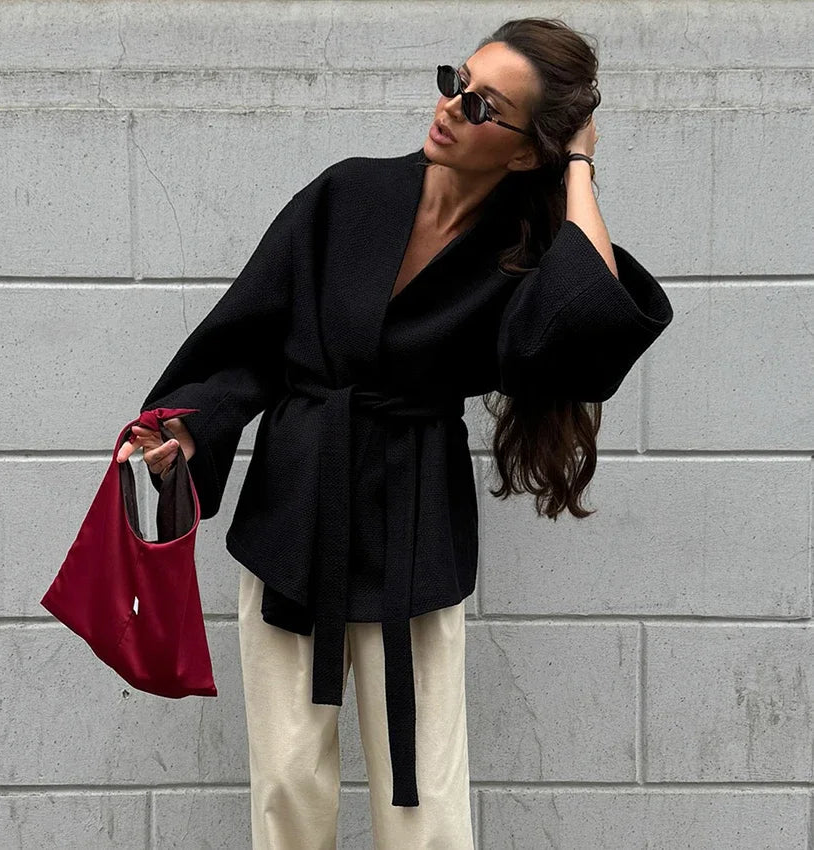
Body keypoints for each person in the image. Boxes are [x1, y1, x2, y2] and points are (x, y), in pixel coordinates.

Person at [117, 17, 674, 850]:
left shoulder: (521, 254)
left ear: (526, 154)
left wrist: (579, 166)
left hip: (415, 525)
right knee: (286, 786)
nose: (450, 107)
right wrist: (190, 432)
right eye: (457, 81)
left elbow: (588, 318)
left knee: (427, 806)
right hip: (296, 512)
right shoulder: (348, 193)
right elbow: (252, 336)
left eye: (483, 107)